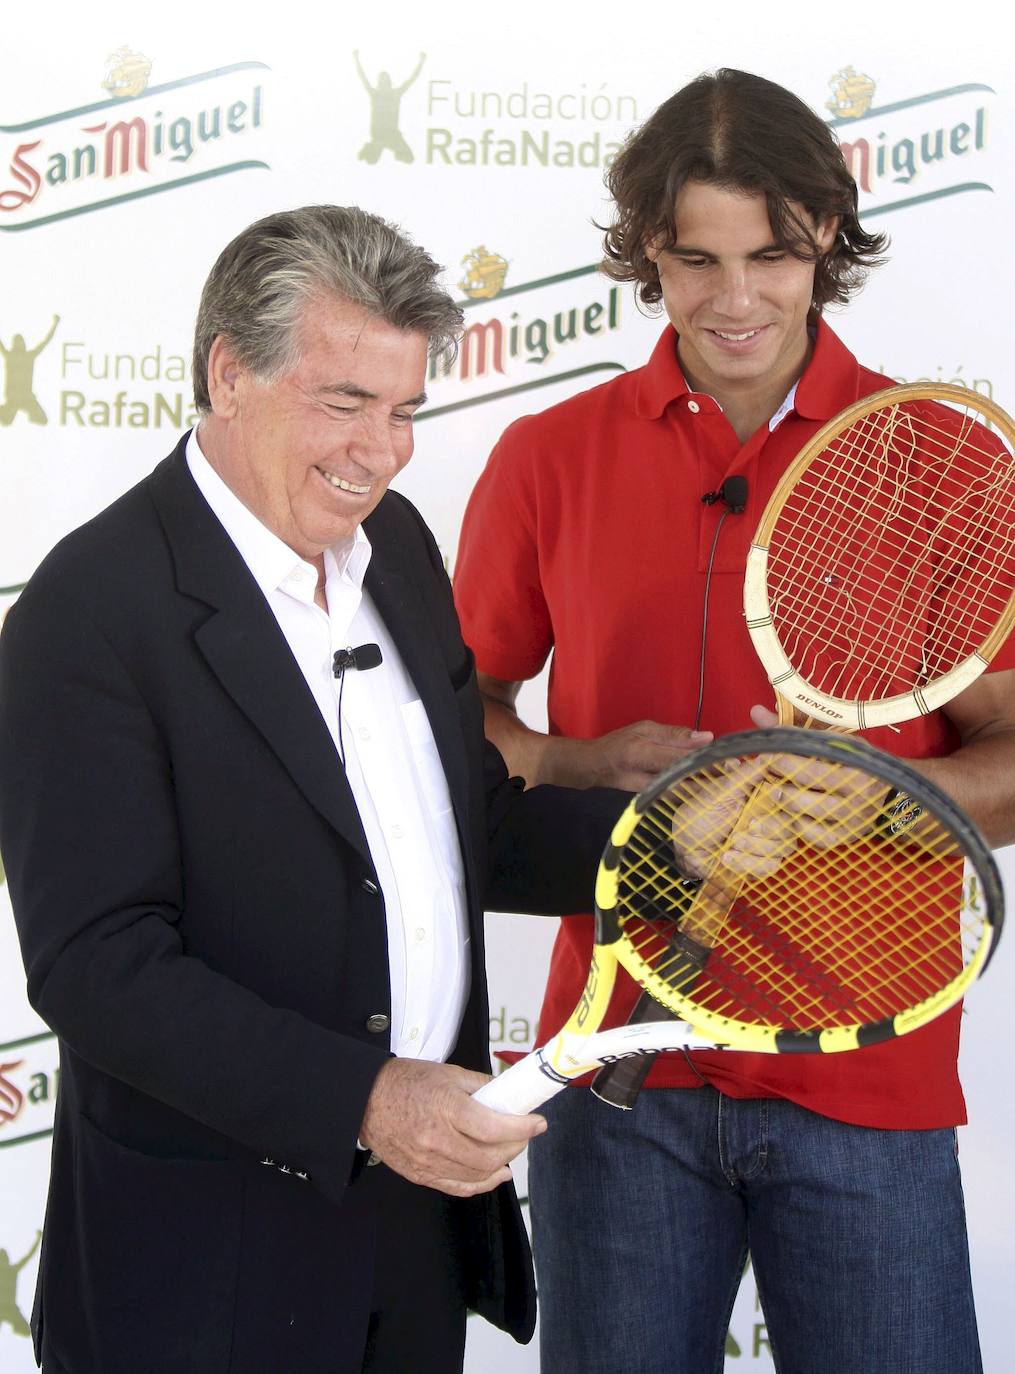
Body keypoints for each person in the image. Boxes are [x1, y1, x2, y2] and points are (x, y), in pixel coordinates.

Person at [0, 206, 632, 1374]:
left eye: (401, 411)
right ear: (228, 373)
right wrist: (366, 1098)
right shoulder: (86, 613)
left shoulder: (395, 548)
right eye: (345, 403)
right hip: (204, 1267)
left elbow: (466, 828)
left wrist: (674, 843)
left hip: (411, 1239)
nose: (382, 452)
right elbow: (97, 965)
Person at [453, 69, 1015, 1374]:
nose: (732, 297)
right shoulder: (547, 457)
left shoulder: (939, 461)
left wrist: (885, 796)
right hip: (613, 1070)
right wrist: (585, 764)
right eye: (691, 258)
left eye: (772, 254)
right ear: (645, 250)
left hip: (863, 1079)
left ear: (826, 232)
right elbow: (457, 731)